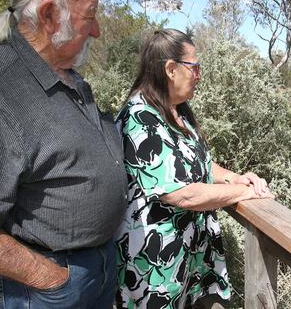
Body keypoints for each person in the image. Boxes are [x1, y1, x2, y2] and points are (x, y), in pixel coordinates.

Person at [0, 0, 127, 309]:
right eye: (89, 17)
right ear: (48, 15)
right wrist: (51, 279)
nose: (97, 31)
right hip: (48, 286)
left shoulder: (70, 78)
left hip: (98, 271)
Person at [115, 29, 274, 309]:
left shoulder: (177, 110)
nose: (199, 75)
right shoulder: (140, 118)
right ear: (171, 69)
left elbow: (197, 163)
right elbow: (181, 193)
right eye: (195, 67)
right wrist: (244, 193)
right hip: (153, 270)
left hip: (186, 263)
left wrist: (235, 178)